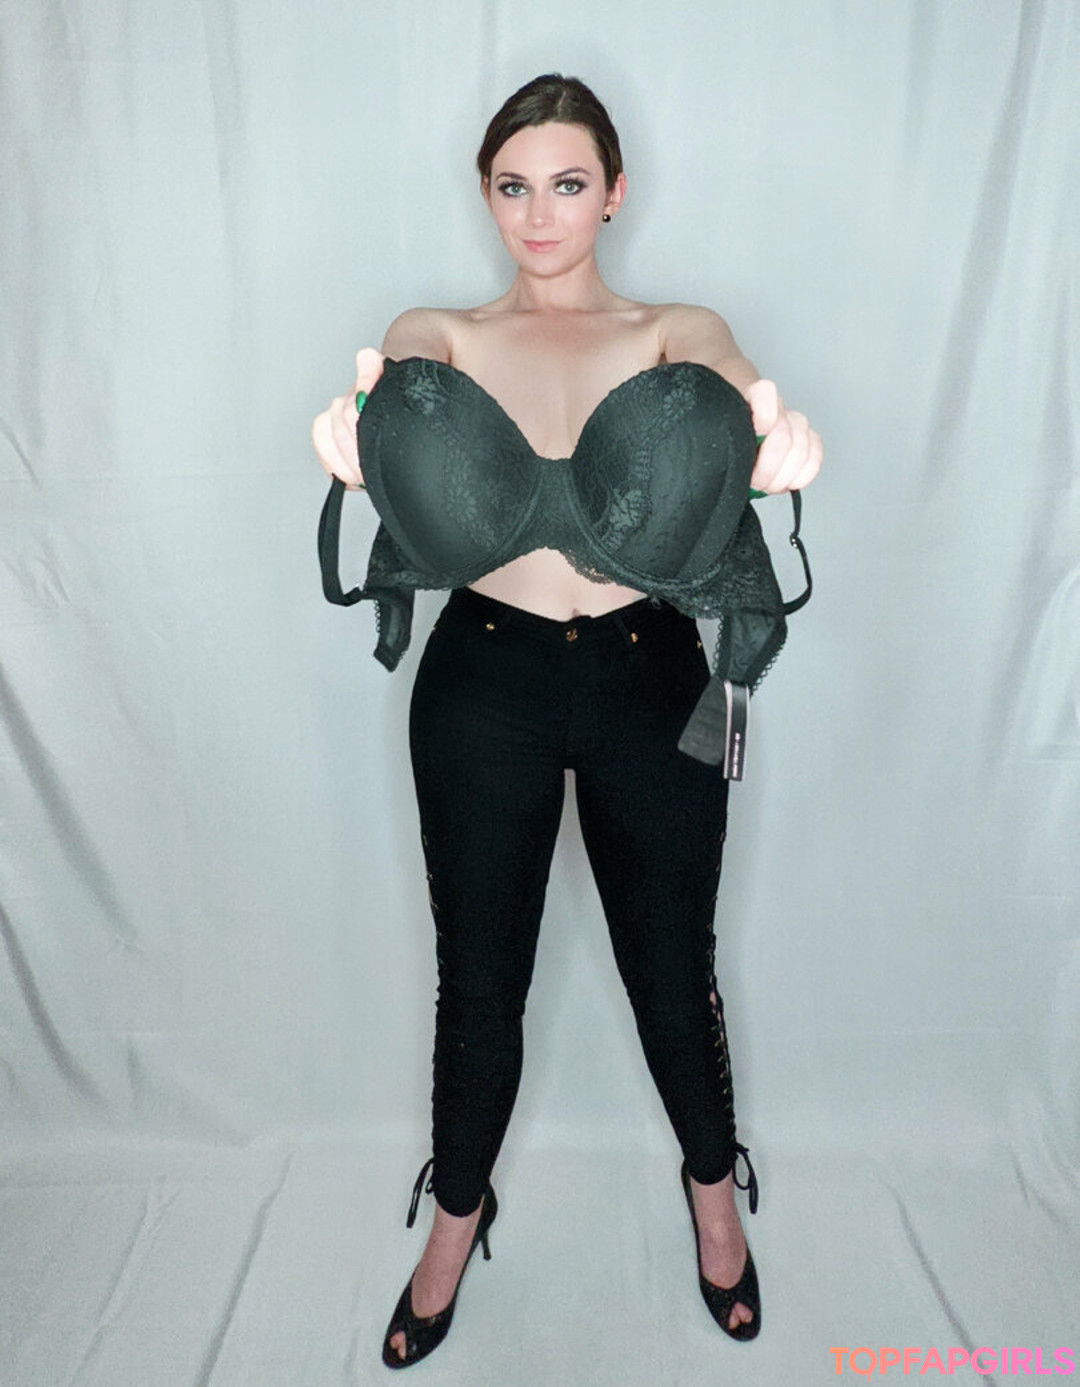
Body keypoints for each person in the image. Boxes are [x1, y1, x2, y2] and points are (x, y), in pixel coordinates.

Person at [311, 73, 822, 1370]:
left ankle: (712, 1198)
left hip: (652, 681)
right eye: (514, 186)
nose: (540, 213)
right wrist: (355, 427)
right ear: (487, 195)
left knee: (672, 965)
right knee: (479, 980)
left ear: (614, 193)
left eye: (568, 183)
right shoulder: (439, 330)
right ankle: (454, 1222)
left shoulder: (672, 330)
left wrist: (772, 437)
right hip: (483, 689)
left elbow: (736, 388)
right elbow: (389, 392)